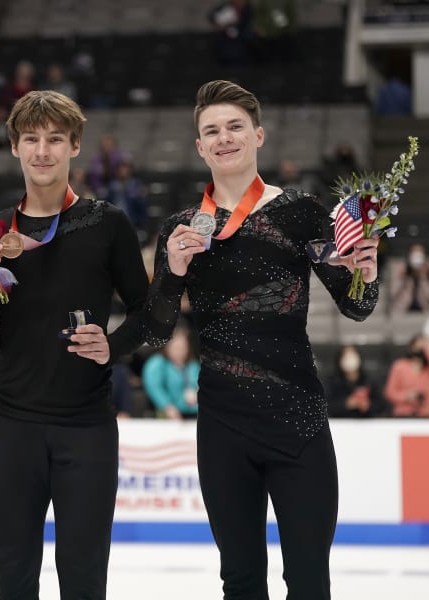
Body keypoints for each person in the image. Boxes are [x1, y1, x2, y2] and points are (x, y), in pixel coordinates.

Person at [144, 80, 380, 599]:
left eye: (234, 127)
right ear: (199, 146)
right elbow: (158, 331)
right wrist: (174, 272)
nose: (224, 138)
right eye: (212, 131)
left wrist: (367, 267)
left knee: (310, 581)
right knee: (242, 581)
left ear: (259, 135)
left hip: (299, 420)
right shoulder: (181, 229)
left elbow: (357, 305)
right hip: (224, 426)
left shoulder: (304, 214)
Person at [0, 90, 150, 599]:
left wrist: (112, 345)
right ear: (14, 148)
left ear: (75, 147)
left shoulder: (107, 223)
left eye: (55, 139)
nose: (43, 151)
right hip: (10, 430)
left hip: (86, 428)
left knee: (84, 583)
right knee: (12, 583)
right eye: (31, 139)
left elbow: (151, 315)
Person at [141, 325, 200, 420]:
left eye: (183, 347)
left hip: (194, 412)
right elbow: (154, 387)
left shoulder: (193, 365)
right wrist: (167, 407)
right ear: (168, 346)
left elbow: (200, 384)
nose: (179, 351)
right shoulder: (157, 363)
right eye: (176, 347)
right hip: (167, 413)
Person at [325, 344, 387, 418]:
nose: (350, 360)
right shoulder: (332, 382)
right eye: (345, 357)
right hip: (340, 424)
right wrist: (346, 404)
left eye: (353, 356)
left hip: (366, 424)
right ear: (339, 360)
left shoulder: (369, 381)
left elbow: (382, 405)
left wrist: (368, 405)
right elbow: (325, 406)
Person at [383, 334, 429, 417]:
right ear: (411, 348)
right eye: (418, 348)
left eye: (424, 348)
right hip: (403, 415)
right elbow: (389, 392)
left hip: (426, 416)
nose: (421, 351)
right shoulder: (399, 366)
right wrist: (407, 396)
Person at [390, 242, 429, 313]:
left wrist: (423, 278)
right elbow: (394, 303)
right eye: (414, 254)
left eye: (419, 254)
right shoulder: (401, 270)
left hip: (424, 315)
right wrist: (407, 279)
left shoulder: (426, 271)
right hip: (402, 312)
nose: (417, 257)